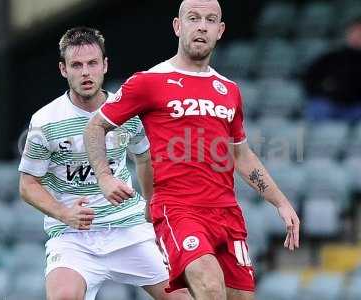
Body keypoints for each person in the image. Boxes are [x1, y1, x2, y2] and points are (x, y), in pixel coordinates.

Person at [84, 1, 300, 299]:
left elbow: (241, 154)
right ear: (177, 26)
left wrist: (280, 202)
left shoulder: (229, 90)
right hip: (178, 209)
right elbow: (95, 126)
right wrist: (105, 177)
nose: (202, 26)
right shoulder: (149, 81)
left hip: (227, 214)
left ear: (220, 30)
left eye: (210, 20)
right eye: (194, 18)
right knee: (209, 284)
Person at [18, 27, 189, 300]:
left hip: (129, 228)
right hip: (74, 236)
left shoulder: (127, 111)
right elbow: (27, 185)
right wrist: (63, 213)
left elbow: (144, 157)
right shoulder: (44, 121)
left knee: (183, 297)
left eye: (92, 63)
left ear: (105, 65)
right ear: (63, 69)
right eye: (76, 65)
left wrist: (151, 206)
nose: (85, 72)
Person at [303, 15, 361, 122]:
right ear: (347, 34)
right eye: (354, 32)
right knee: (318, 108)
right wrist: (325, 92)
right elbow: (309, 79)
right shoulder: (330, 57)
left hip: (357, 107)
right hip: (330, 104)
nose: (357, 36)